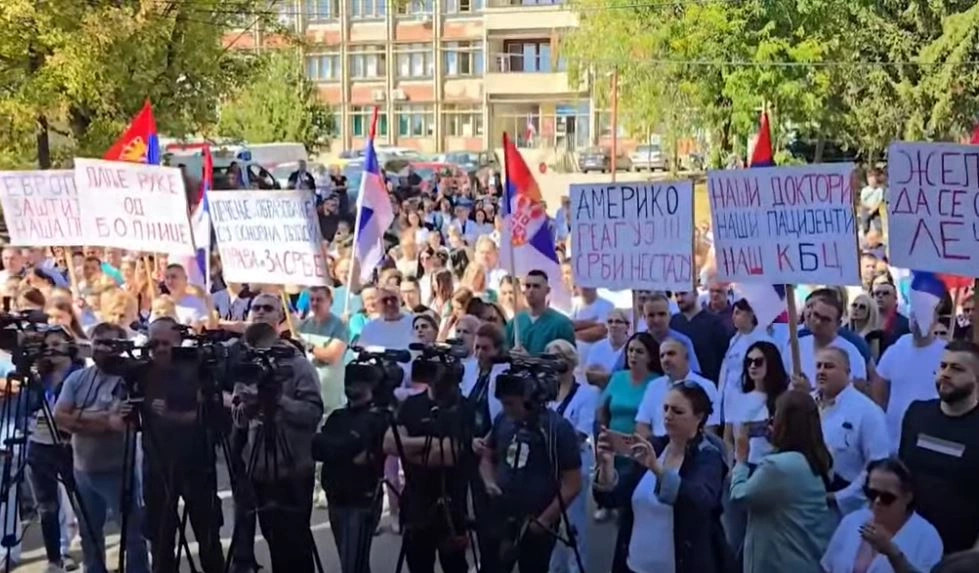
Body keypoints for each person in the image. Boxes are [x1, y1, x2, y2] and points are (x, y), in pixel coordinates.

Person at [593, 382, 728, 573]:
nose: (668, 416)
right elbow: (614, 497)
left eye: (677, 411)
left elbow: (700, 501)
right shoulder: (654, 446)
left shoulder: (707, 457)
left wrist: (657, 469)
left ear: (699, 417)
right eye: (665, 408)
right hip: (633, 565)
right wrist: (606, 466)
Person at [53, 322, 151, 573]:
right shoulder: (77, 378)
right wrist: (103, 419)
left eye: (110, 343)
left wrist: (81, 417)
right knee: (89, 533)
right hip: (82, 470)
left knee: (133, 535)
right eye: (98, 342)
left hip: (118, 471)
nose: (103, 348)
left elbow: (120, 424)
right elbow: (60, 417)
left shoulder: (129, 379)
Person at [480, 358, 583, 573]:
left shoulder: (557, 429)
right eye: (503, 403)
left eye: (511, 403)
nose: (505, 408)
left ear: (529, 400)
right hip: (500, 516)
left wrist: (545, 520)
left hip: (537, 522)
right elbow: (487, 452)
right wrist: (488, 481)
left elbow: (572, 484)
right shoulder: (503, 419)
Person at [140, 318, 225, 573]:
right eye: (154, 344)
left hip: (196, 462)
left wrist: (173, 415)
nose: (159, 349)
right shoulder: (143, 371)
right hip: (157, 463)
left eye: (166, 343)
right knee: (160, 538)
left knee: (207, 535)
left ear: (179, 342)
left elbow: (210, 415)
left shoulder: (197, 370)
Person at [382, 349, 476, 573]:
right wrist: (429, 442)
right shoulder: (411, 404)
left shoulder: (465, 408)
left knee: (455, 567)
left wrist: (408, 447)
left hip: (451, 508)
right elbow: (389, 443)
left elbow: (446, 455)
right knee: (418, 566)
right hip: (415, 505)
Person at [729, 390, 835, 573]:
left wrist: (741, 460)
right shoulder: (818, 460)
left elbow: (739, 496)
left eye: (774, 418)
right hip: (807, 561)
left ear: (783, 423)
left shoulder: (778, 467)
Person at [898, 340, 979, 554]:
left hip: (959, 550)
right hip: (909, 542)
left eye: (957, 368)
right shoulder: (916, 414)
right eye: (943, 366)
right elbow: (900, 475)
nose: (945, 374)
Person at [312, 369, 388, 573]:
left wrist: (337, 449)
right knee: (349, 560)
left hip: (361, 498)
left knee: (353, 562)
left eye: (359, 381)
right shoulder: (338, 416)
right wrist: (346, 448)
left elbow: (364, 457)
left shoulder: (378, 419)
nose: (352, 386)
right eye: (350, 381)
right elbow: (317, 448)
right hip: (335, 494)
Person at [26, 328, 83, 573]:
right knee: (46, 506)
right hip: (40, 444)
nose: (51, 349)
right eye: (47, 345)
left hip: (70, 444)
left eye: (57, 344)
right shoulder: (39, 377)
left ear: (69, 345)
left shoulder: (79, 375)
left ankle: (88, 551)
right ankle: (54, 559)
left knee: (80, 501)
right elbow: (27, 406)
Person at [822, 457, 943, 573]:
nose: (877, 502)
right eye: (872, 494)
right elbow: (828, 567)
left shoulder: (927, 538)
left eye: (887, 497)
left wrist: (892, 552)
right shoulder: (852, 521)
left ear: (907, 498)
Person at [544, 339, 599, 573]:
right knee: (550, 522)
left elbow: (581, 432)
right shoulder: (544, 392)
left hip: (574, 464)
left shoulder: (587, 393)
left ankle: (578, 568)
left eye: (560, 357)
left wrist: (549, 440)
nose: (556, 363)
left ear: (570, 361)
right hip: (547, 465)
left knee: (574, 524)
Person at [635, 338, 721, 440]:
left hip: (693, 447)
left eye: (671, 354)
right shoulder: (654, 386)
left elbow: (710, 429)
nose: (665, 359)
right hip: (657, 447)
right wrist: (655, 445)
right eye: (662, 356)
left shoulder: (706, 386)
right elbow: (642, 425)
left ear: (686, 357)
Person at [787, 290, 868, 383]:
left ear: (838, 324)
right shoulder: (794, 347)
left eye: (825, 319)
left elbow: (856, 389)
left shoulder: (851, 354)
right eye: (816, 315)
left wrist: (808, 391)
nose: (818, 322)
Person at [298, 286, 349, 420]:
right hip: (308, 397)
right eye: (312, 299)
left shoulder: (339, 326)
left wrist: (307, 346)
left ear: (330, 302)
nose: (315, 303)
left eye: (319, 299)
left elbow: (333, 356)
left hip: (331, 400)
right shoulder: (303, 325)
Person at [505, 270, 575, 355]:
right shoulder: (514, 323)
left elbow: (569, 359)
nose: (531, 290)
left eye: (536, 286)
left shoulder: (562, 324)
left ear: (547, 290)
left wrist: (530, 360)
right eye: (528, 286)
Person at [671, 290, 729, 382]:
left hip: (707, 383)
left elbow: (723, 358)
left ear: (695, 294)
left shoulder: (714, 323)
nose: (679, 299)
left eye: (683, 294)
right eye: (676, 295)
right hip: (680, 383)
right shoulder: (674, 321)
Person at [583, 308, 630, 390]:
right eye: (610, 322)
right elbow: (590, 375)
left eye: (618, 322)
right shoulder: (596, 348)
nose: (613, 325)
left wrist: (604, 376)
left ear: (627, 326)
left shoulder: (632, 347)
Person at [570, 287, 613, 365]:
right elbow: (569, 325)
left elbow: (600, 331)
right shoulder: (575, 304)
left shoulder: (606, 305)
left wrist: (573, 333)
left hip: (596, 359)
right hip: (576, 361)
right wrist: (591, 322)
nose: (585, 287)